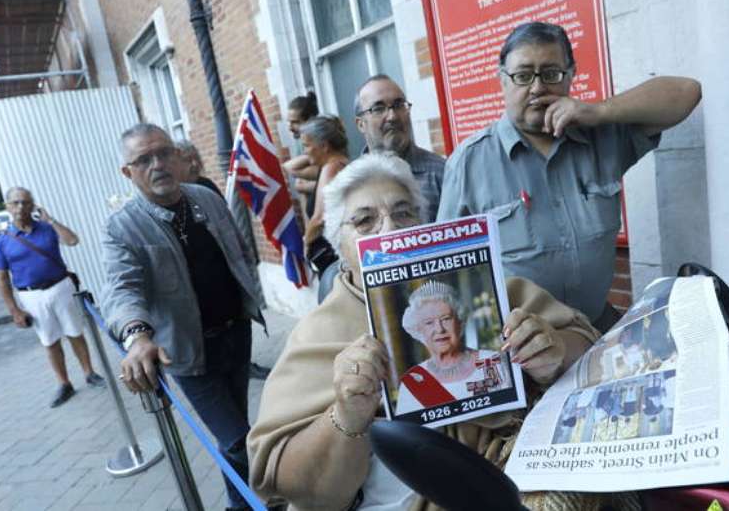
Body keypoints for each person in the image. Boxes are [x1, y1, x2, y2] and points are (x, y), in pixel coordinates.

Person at [248, 154, 638, 510]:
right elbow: (284, 478)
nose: (388, 228)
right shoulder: (317, 335)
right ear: (339, 245)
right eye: (364, 221)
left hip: (516, 479)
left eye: (403, 212)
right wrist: (346, 416)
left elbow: (590, 349)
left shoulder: (499, 290)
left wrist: (553, 352)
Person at [437, 21, 701, 332]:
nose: (537, 87)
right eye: (523, 76)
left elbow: (687, 92)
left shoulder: (601, 139)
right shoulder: (468, 163)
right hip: (525, 345)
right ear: (503, 80)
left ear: (570, 76)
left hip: (597, 329)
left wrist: (599, 111)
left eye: (551, 74)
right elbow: (448, 272)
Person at [101, 123, 264, 511]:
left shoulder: (206, 198)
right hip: (189, 354)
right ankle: (263, 500)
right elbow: (121, 289)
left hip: (237, 334)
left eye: (164, 153)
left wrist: (251, 291)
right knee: (239, 440)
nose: (158, 164)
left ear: (178, 157)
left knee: (234, 435)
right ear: (128, 172)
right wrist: (137, 336)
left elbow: (239, 250)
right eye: (144, 159)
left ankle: (238, 504)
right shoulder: (122, 227)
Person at [0, 187, 105, 408]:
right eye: (15, 203)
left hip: (60, 287)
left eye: (25, 202)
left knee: (75, 332)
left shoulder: (47, 228)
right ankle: (64, 383)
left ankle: (89, 373)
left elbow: (72, 241)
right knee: (49, 340)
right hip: (31, 296)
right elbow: (2, 279)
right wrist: (14, 310)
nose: (21, 207)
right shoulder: (1, 242)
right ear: (7, 206)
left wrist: (51, 220)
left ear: (33, 205)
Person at [395, 280, 510, 415]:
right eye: (429, 323)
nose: (439, 329)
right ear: (418, 330)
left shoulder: (493, 361)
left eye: (446, 319)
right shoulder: (413, 381)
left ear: (460, 322)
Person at [355, 74, 444, 223]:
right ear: (360, 124)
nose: (392, 116)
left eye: (398, 105)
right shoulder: (350, 183)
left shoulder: (442, 174)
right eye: (378, 109)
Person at [299, 115, 349, 274]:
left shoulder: (331, 168)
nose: (304, 151)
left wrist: (306, 242)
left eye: (306, 145)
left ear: (324, 146)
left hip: (332, 259)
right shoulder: (338, 164)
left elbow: (320, 218)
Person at [283, 92, 320, 218]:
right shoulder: (301, 144)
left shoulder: (322, 145)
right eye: (289, 122)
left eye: (295, 122)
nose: (290, 127)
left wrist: (302, 186)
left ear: (310, 121)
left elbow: (329, 182)